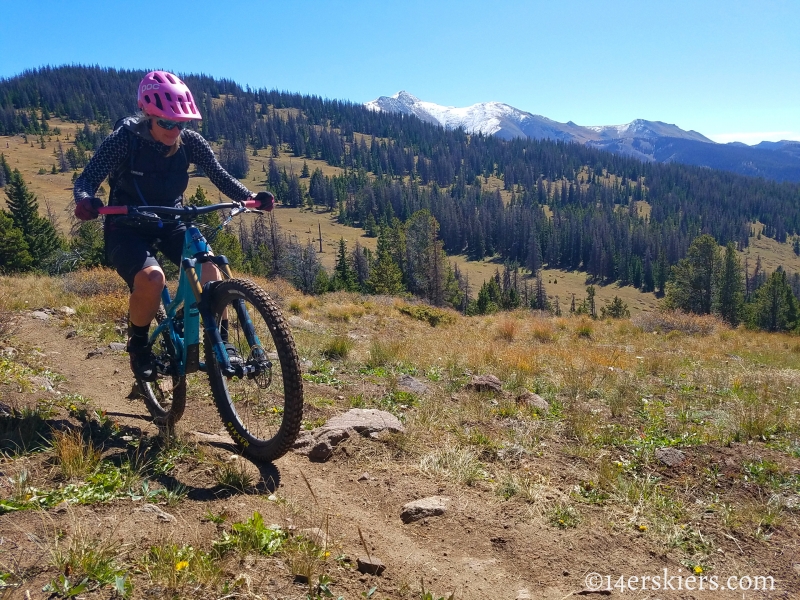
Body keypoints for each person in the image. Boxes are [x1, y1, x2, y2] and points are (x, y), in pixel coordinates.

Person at [73, 70, 274, 381]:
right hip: (126, 225)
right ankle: (139, 346)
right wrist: (86, 199)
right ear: (148, 115)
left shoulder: (190, 142)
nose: (173, 129)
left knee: (211, 271)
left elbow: (219, 175)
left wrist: (249, 197)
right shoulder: (125, 140)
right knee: (152, 279)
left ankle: (220, 340)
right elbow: (87, 179)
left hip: (170, 220)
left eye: (180, 123)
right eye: (165, 122)